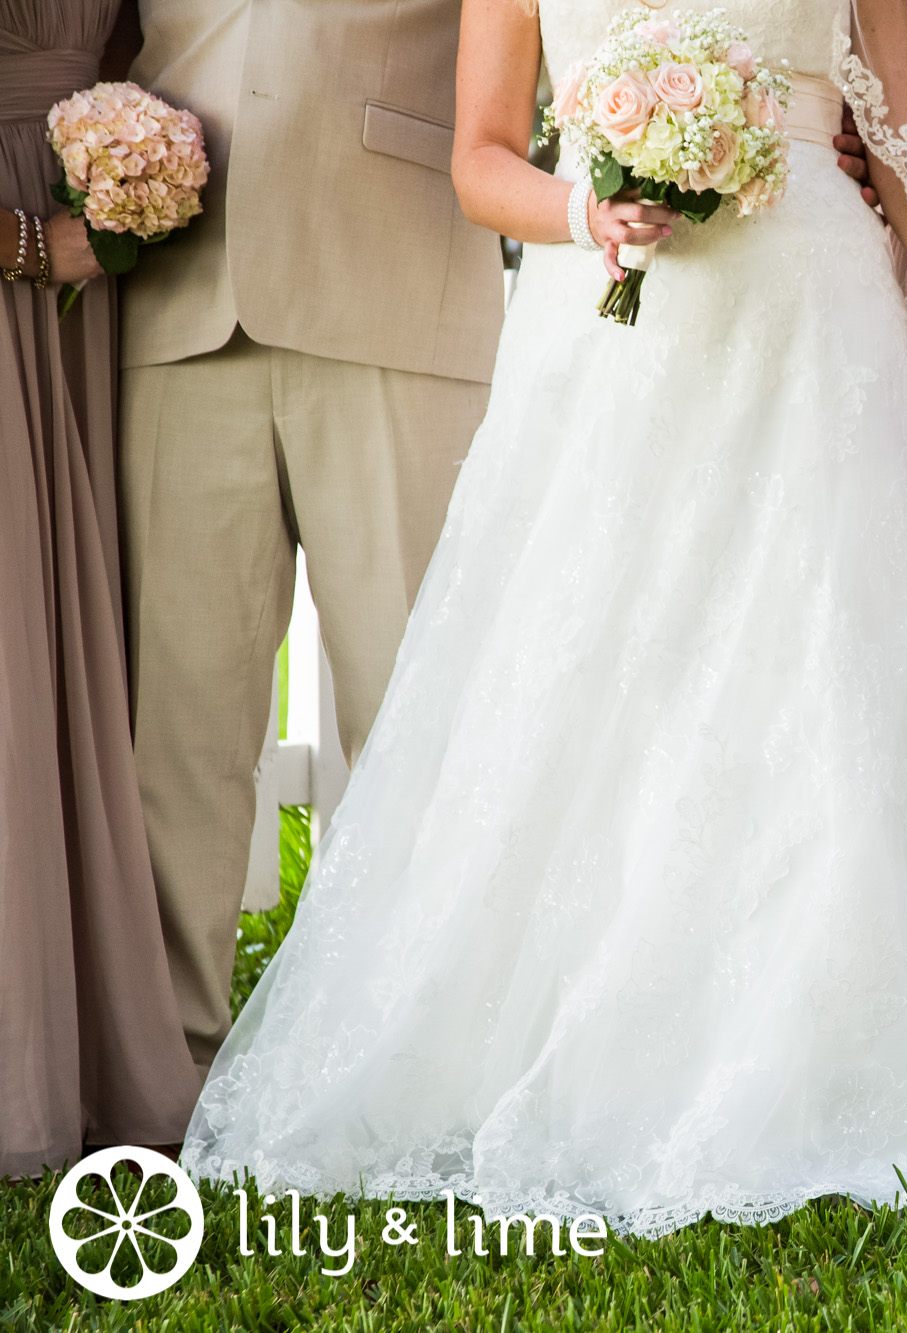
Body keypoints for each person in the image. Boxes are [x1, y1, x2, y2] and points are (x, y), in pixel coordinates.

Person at [179, 0, 907, 1227]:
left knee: (826, 678)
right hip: (610, 346)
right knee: (603, 684)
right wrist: (583, 211)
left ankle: (833, 1019)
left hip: (814, 336)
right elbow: (479, 161)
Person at [118, 0, 504, 1076]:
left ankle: (431, 1064)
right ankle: (167, 1059)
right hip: (178, 298)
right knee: (176, 729)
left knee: (417, 710)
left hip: (397, 285)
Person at [0, 0, 201, 1177]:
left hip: (86, 269)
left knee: (73, 634)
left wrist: (131, 173)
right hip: (30, 246)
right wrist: (31, 243)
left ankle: (71, 1038)